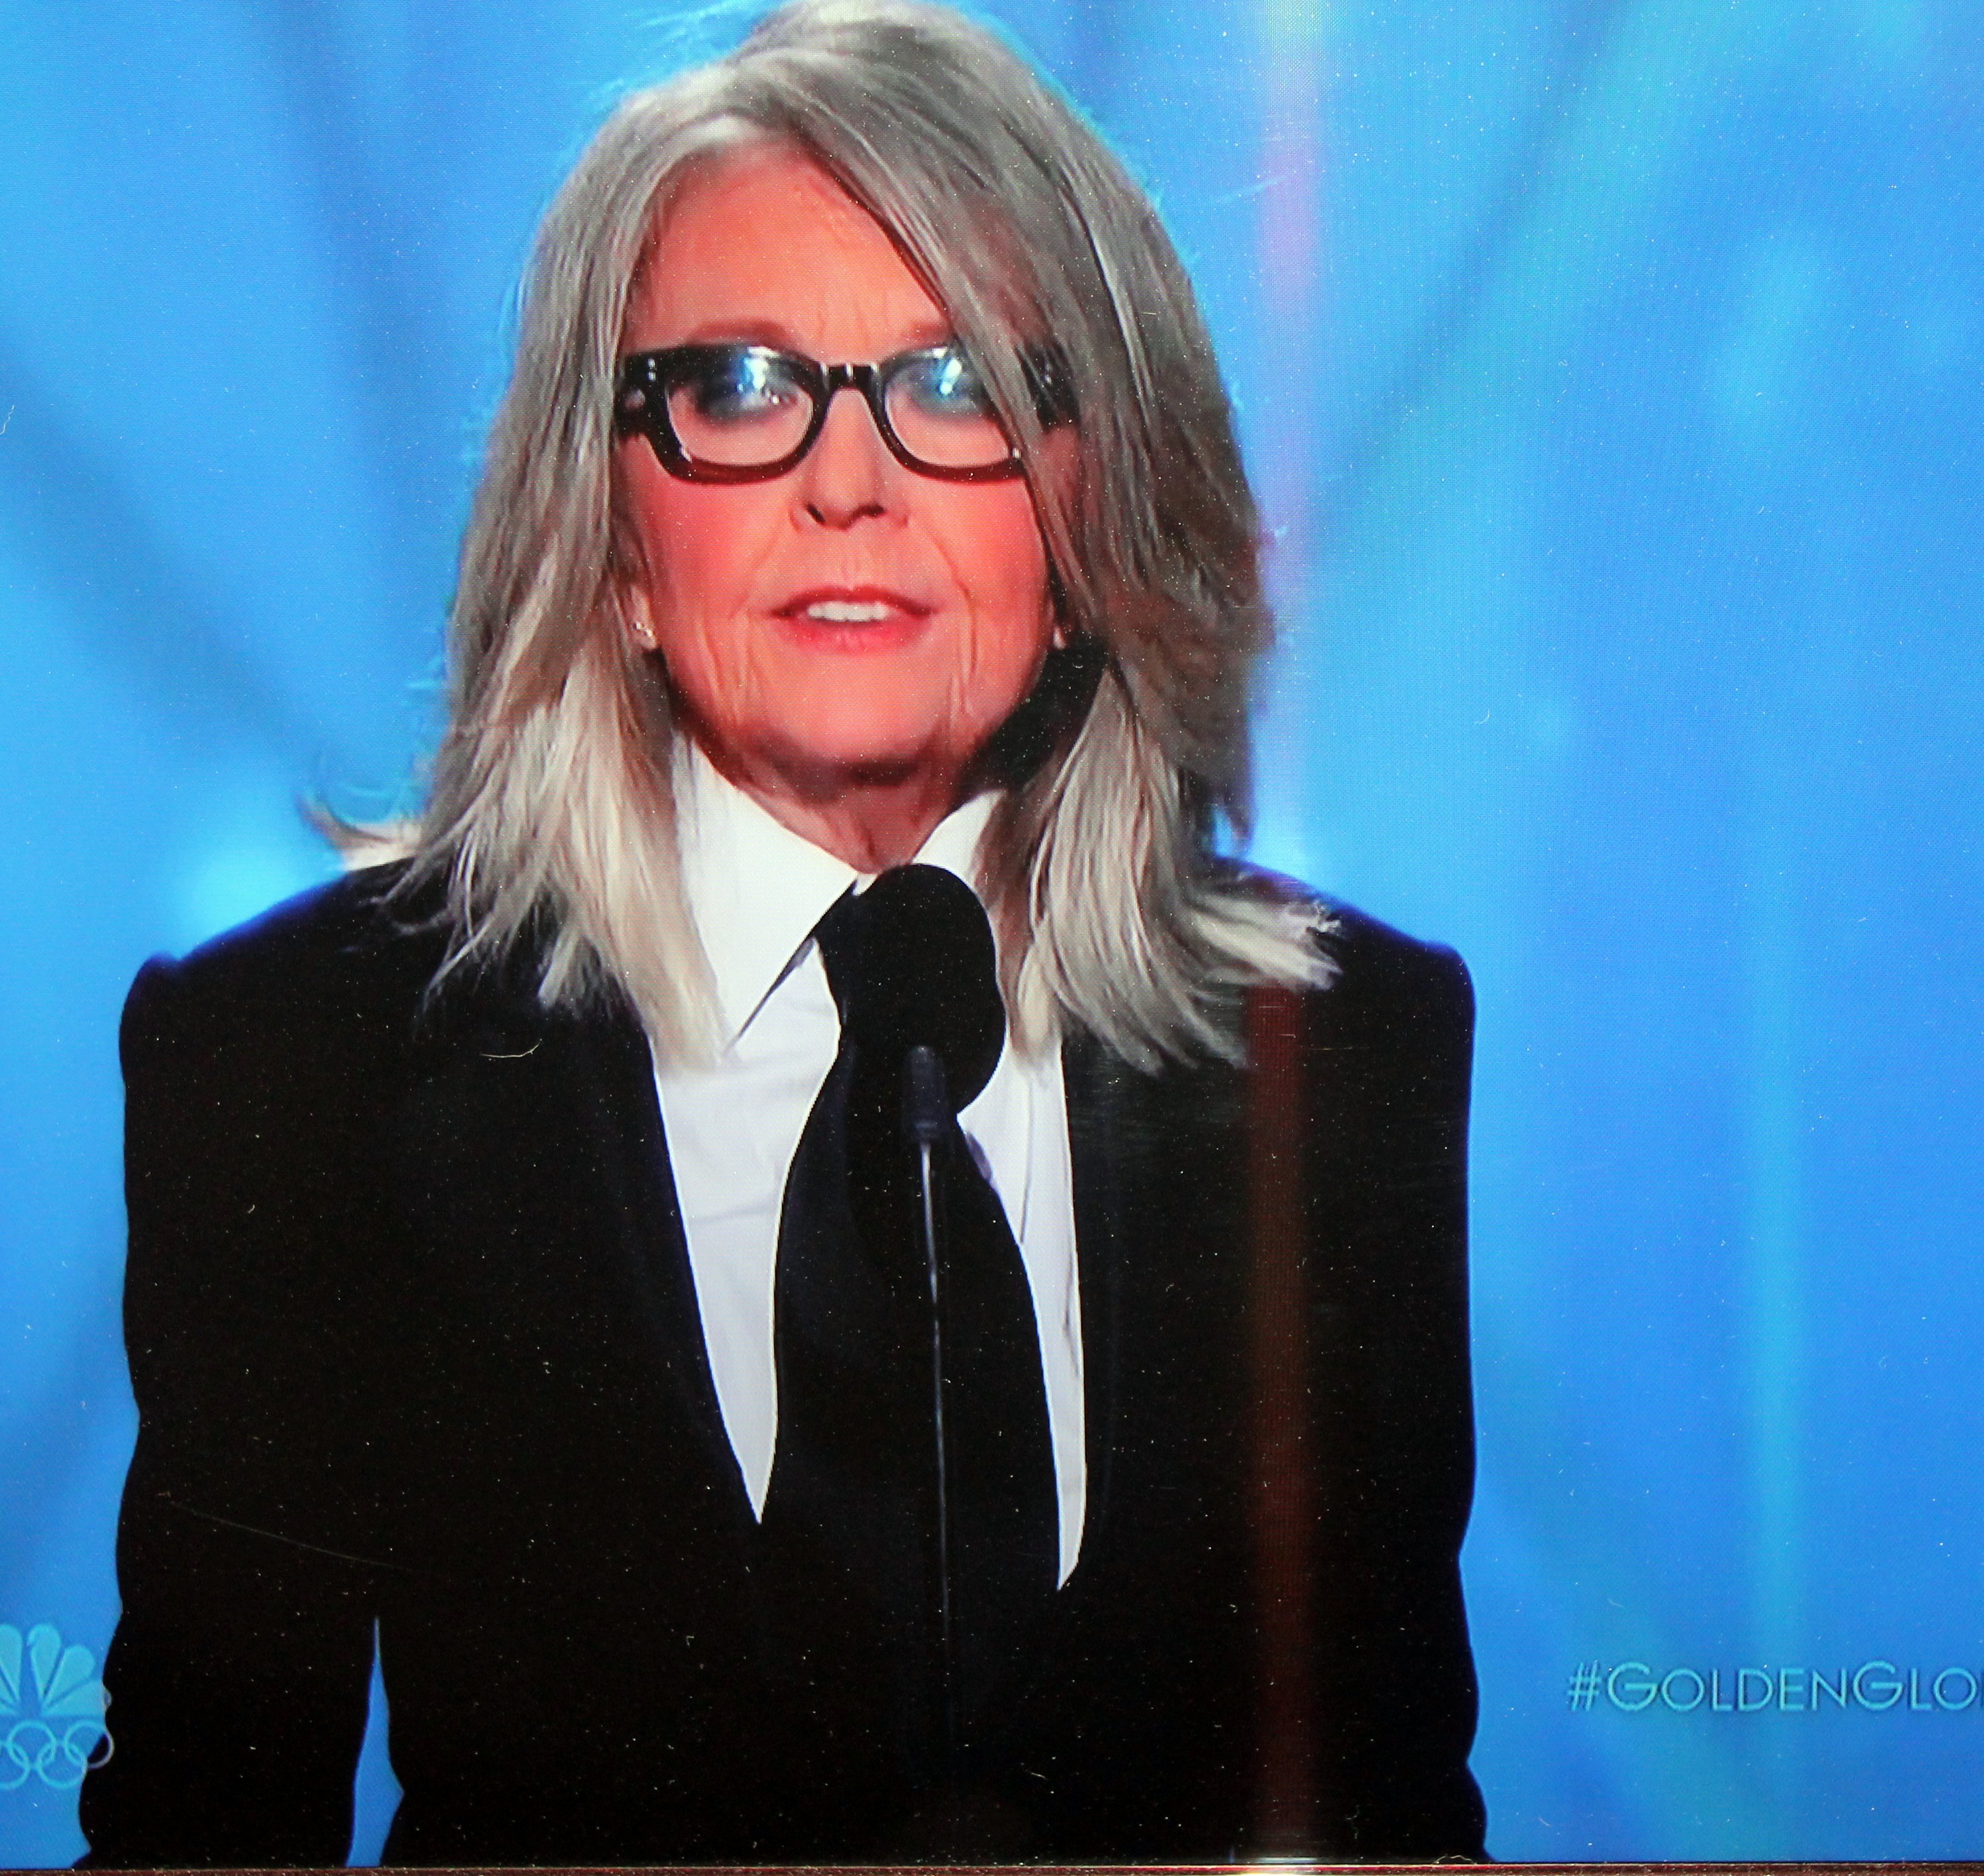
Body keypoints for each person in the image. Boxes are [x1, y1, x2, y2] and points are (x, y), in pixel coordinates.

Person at [80, 0, 1486, 1862]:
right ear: (610, 537)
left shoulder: (1350, 1058)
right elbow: (197, 1838)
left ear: (1095, 514)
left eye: (957, 383)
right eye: (738, 388)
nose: (847, 481)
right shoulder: (304, 1066)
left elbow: (1392, 1824)